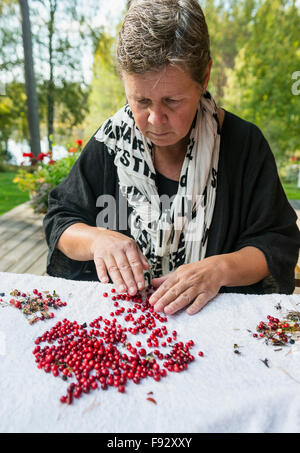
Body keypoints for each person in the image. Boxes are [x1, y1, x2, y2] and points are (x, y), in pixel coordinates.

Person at [43, 0, 300, 315]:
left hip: (218, 329)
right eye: (140, 100)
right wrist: (97, 240)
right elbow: (60, 221)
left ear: (203, 77)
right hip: (124, 327)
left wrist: (221, 269)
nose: (154, 119)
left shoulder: (244, 145)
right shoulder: (110, 143)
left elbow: (277, 242)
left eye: (172, 100)